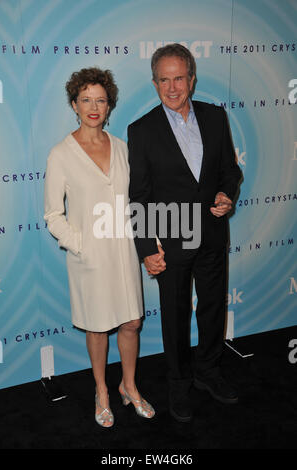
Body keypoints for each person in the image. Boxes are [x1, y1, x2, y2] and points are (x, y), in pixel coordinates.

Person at [128, 44, 242, 423]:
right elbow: (139, 197)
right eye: (164, 79)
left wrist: (227, 195)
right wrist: (146, 247)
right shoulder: (141, 130)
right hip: (171, 240)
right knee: (175, 317)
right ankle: (179, 384)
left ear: (192, 79)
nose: (172, 87)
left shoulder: (214, 116)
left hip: (211, 233)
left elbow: (229, 170)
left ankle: (209, 371)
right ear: (154, 82)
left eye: (179, 78)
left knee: (212, 309)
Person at [44, 67, 155, 428]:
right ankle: (102, 392)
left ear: (110, 106)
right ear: (74, 104)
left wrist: (147, 241)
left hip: (124, 252)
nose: (94, 107)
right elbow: (52, 214)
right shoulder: (60, 154)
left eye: (101, 100)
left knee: (132, 322)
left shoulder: (122, 147)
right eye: (86, 100)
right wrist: (80, 245)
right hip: (89, 257)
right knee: (97, 327)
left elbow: (136, 202)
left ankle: (129, 385)